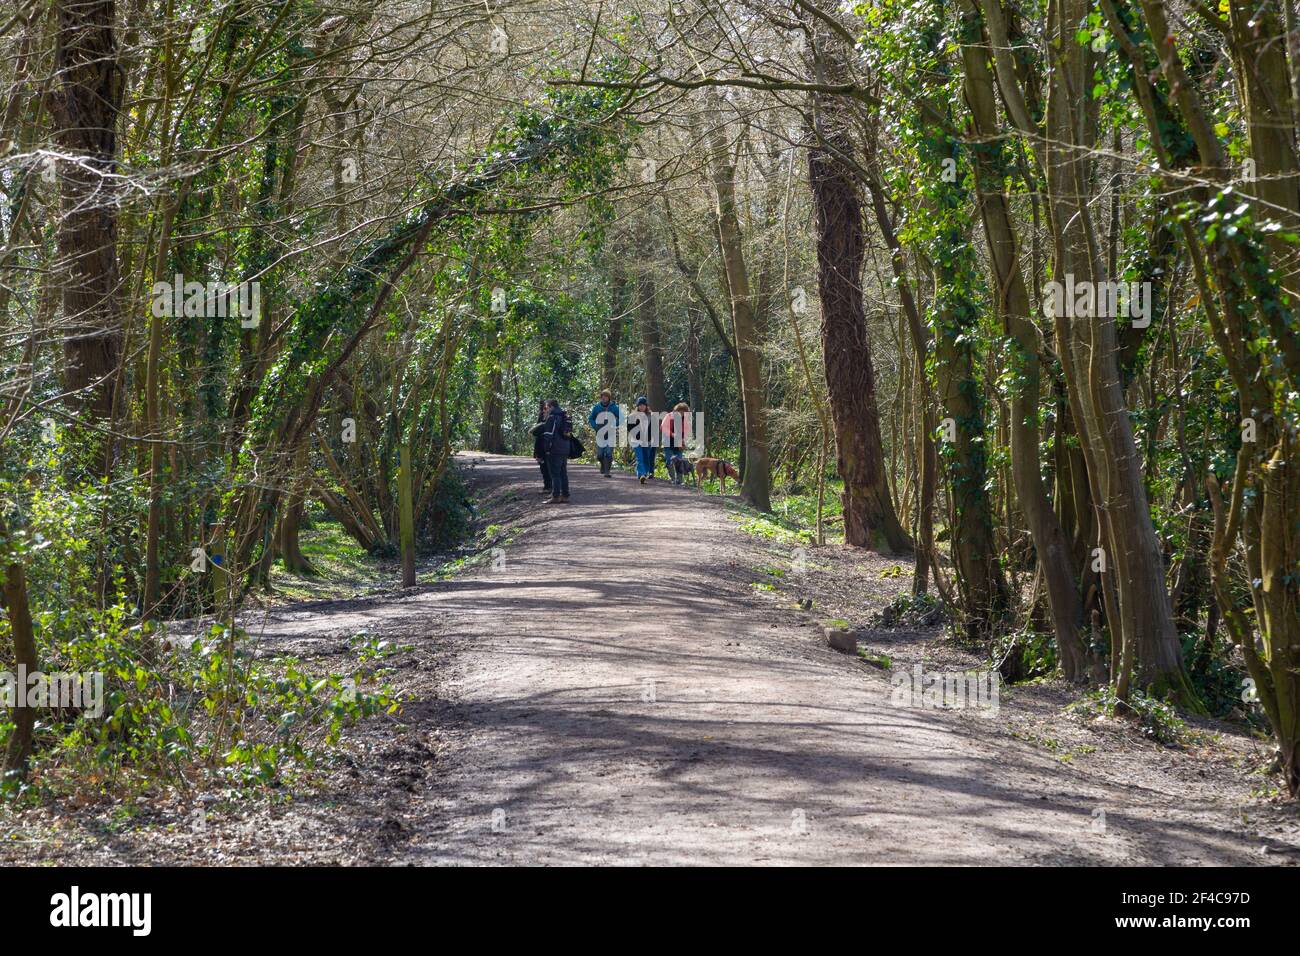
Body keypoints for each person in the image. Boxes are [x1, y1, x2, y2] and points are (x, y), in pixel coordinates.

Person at [538, 398, 573, 503]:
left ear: (551, 407)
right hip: (565, 448)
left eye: (546, 407)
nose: (545, 410)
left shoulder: (552, 418)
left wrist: (547, 449)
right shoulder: (565, 416)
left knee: (555, 474)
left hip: (555, 449)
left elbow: (549, 435)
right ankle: (565, 495)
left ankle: (556, 496)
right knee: (563, 473)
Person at [587, 389, 622, 477]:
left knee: (609, 453)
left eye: (606, 396)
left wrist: (614, 424)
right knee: (600, 454)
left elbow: (621, 418)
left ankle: (607, 472)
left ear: (609, 398)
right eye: (602, 396)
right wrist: (595, 426)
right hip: (600, 433)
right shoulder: (597, 407)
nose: (604, 398)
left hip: (611, 433)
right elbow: (591, 418)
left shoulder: (614, 407)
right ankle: (602, 465)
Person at [660, 401, 693, 485]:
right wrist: (672, 434)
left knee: (679, 461)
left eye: (684, 412)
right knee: (669, 460)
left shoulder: (685, 419)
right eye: (680, 411)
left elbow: (687, 431)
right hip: (668, 441)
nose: (682, 413)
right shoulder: (669, 416)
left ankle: (679, 479)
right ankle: (672, 478)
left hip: (679, 442)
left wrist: (683, 441)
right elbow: (663, 427)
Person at [630, 395, 656, 484]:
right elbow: (630, 428)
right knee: (640, 458)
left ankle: (640, 473)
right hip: (636, 441)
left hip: (647, 441)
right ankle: (643, 475)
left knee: (646, 459)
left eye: (643, 405)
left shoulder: (651, 416)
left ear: (646, 406)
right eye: (640, 405)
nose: (642, 407)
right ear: (637, 406)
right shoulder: (632, 416)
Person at [530, 399, 551, 495]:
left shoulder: (553, 418)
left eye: (545, 408)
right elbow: (536, 432)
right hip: (540, 446)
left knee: (549, 467)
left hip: (548, 446)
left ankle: (550, 487)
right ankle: (547, 486)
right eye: (542, 408)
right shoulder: (541, 417)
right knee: (543, 467)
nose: (543, 410)